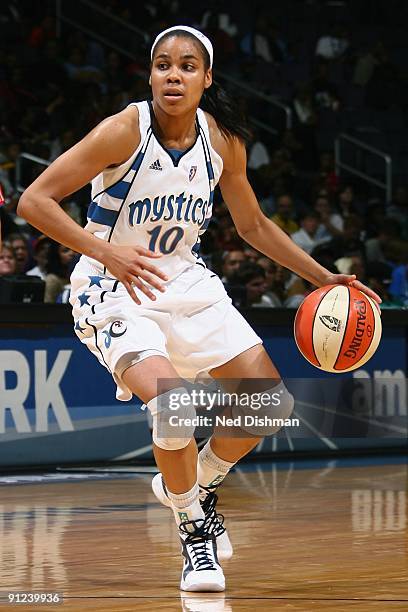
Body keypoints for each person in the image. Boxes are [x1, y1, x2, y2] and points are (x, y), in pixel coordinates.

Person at [17, 26, 381, 593]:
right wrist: (104, 250)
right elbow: (34, 199)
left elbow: (254, 225)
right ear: (150, 75)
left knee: (270, 404)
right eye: (163, 65)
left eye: (187, 67)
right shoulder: (123, 130)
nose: (173, 76)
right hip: (114, 284)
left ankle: (196, 483)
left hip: (185, 279)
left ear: (206, 79)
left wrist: (323, 277)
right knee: (174, 406)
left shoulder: (222, 142)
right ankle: (194, 530)